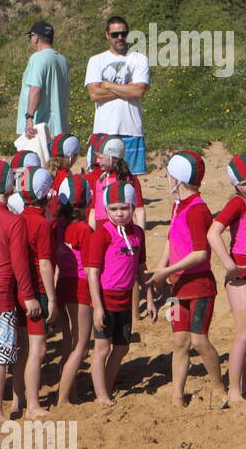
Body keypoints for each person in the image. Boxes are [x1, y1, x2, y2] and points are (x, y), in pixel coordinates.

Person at [148, 151, 224, 408]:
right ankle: (177, 395)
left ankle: (218, 387)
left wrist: (167, 271)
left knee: (199, 340)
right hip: (178, 286)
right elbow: (171, 239)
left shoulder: (197, 210)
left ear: (177, 179)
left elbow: (201, 253)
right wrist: (161, 268)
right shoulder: (178, 205)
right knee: (179, 341)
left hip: (199, 285)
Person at [0, 161, 39, 421]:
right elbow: (20, 265)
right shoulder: (14, 221)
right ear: (11, 190)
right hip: (0, 298)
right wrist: (29, 297)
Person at [208, 154, 246, 405]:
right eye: (245, 183)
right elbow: (213, 233)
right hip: (241, 274)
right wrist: (229, 265)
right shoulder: (237, 203)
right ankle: (233, 389)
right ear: (236, 185)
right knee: (244, 332)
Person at [84, 183, 148, 407]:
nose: (119, 213)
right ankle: (101, 395)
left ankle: (106, 385)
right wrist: (97, 307)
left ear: (133, 207)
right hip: (105, 298)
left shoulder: (138, 233)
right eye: (114, 209)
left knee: (121, 347)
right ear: (106, 210)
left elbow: (141, 268)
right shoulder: (101, 235)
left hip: (125, 299)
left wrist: (149, 298)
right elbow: (92, 273)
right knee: (102, 348)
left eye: (124, 208)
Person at [10, 169, 55, 419]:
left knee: (21, 349)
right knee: (37, 349)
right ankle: (33, 406)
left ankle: (17, 401)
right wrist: (53, 298)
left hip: (17, 288)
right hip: (37, 289)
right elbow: (45, 264)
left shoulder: (16, 218)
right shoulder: (42, 223)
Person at [85, 15, 150, 174]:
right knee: (101, 178)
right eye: (115, 34)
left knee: (131, 178)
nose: (120, 37)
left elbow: (139, 91)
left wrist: (108, 85)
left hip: (131, 130)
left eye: (123, 33)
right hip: (104, 131)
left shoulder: (140, 59)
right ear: (107, 35)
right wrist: (127, 88)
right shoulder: (96, 60)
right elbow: (94, 94)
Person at [53, 175, 94, 406]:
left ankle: (71, 391)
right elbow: (89, 268)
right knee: (81, 347)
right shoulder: (84, 229)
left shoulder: (59, 225)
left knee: (68, 344)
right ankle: (63, 398)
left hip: (62, 284)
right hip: (80, 287)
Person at [19, 20, 69, 141]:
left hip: (38, 129)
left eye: (30, 37)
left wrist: (29, 118)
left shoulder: (38, 57)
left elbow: (35, 89)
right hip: (59, 127)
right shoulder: (63, 60)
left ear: (35, 38)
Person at [87, 135, 145, 230]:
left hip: (124, 230)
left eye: (100, 157)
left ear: (113, 157)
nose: (97, 161)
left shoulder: (130, 180)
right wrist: (91, 233)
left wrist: (141, 232)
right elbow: (93, 211)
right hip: (101, 231)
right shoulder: (99, 180)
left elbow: (139, 209)